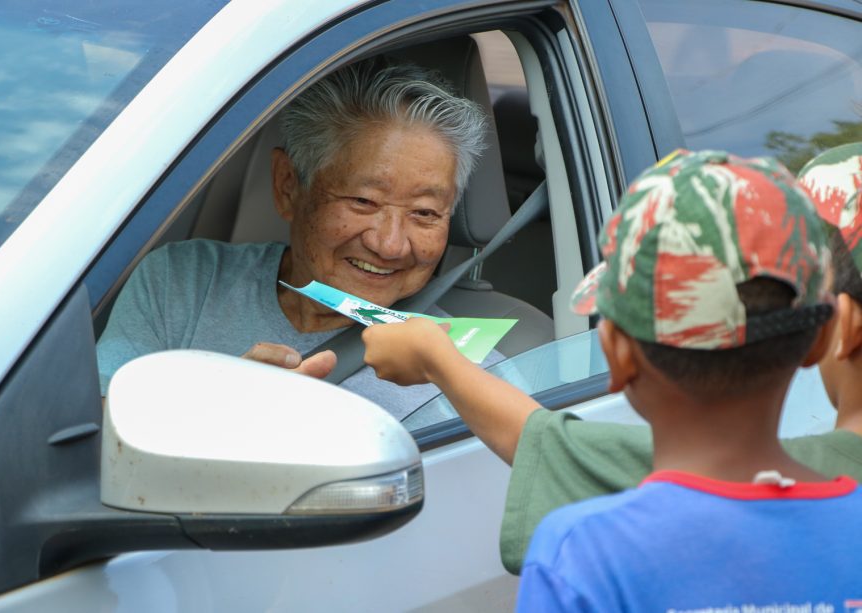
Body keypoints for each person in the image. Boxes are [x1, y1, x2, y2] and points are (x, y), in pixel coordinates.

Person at [364, 149, 862, 605]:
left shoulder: (582, 554)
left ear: (616, 356)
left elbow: (557, 445)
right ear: (819, 340)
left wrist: (437, 360)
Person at [96, 57, 490, 419]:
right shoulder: (182, 283)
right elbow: (88, 449)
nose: (389, 244)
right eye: (363, 201)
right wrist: (212, 410)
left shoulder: (469, 373)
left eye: (424, 213)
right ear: (288, 186)